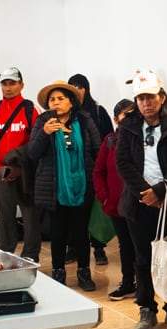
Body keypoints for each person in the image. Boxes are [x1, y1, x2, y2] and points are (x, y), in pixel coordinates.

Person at [116, 68, 167, 329]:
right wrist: (145, 193)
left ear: (161, 97)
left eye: (150, 97)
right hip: (138, 202)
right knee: (142, 257)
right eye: (140, 98)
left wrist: (161, 191)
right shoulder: (127, 127)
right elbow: (123, 163)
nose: (146, 103)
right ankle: (146, 308)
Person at [28, 80, 100, 290]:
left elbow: (97, 151)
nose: (56, 103)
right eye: (52, 100)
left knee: (80, 233)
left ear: (70, 103)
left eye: (61, 99)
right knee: (57, 233)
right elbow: (32, 153)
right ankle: (58, 272)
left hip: (82, 184)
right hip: (54, 187)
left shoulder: (85, 122)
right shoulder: (43, 122)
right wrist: (45, 133)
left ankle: (84, 273)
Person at [0, 67, 41, 262]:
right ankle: (6, 253)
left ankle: (30, 255)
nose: (8, 88)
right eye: (4, 84)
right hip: (1, 173)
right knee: (4, 215)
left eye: (12, 83)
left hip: (26, 172)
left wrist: (21, 165)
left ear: (21, 85)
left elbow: (36, 141)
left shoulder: (31, 109)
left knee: (30, 215)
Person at [68, 73, 114, 265]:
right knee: (74, 212)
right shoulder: (66, 115)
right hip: (73, 170)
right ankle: (73, 248)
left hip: (94, 169)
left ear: (86, 89)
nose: (77, 91)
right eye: (73, 87)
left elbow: (109, 139)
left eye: (79, 87)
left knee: (96, 211)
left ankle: (98, 248)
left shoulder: (97, 111)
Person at [94, 98, 137, 300]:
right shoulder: (110, 141)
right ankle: (128, 282)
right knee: (125, 244)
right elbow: (98, 171)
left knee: (141, 244)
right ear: (115, 118)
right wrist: (104, 197)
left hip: (139, 203)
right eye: (124, 115)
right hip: (116, 205)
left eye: (132, 114)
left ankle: (146, 285)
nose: (128, 119)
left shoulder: (143, 141)